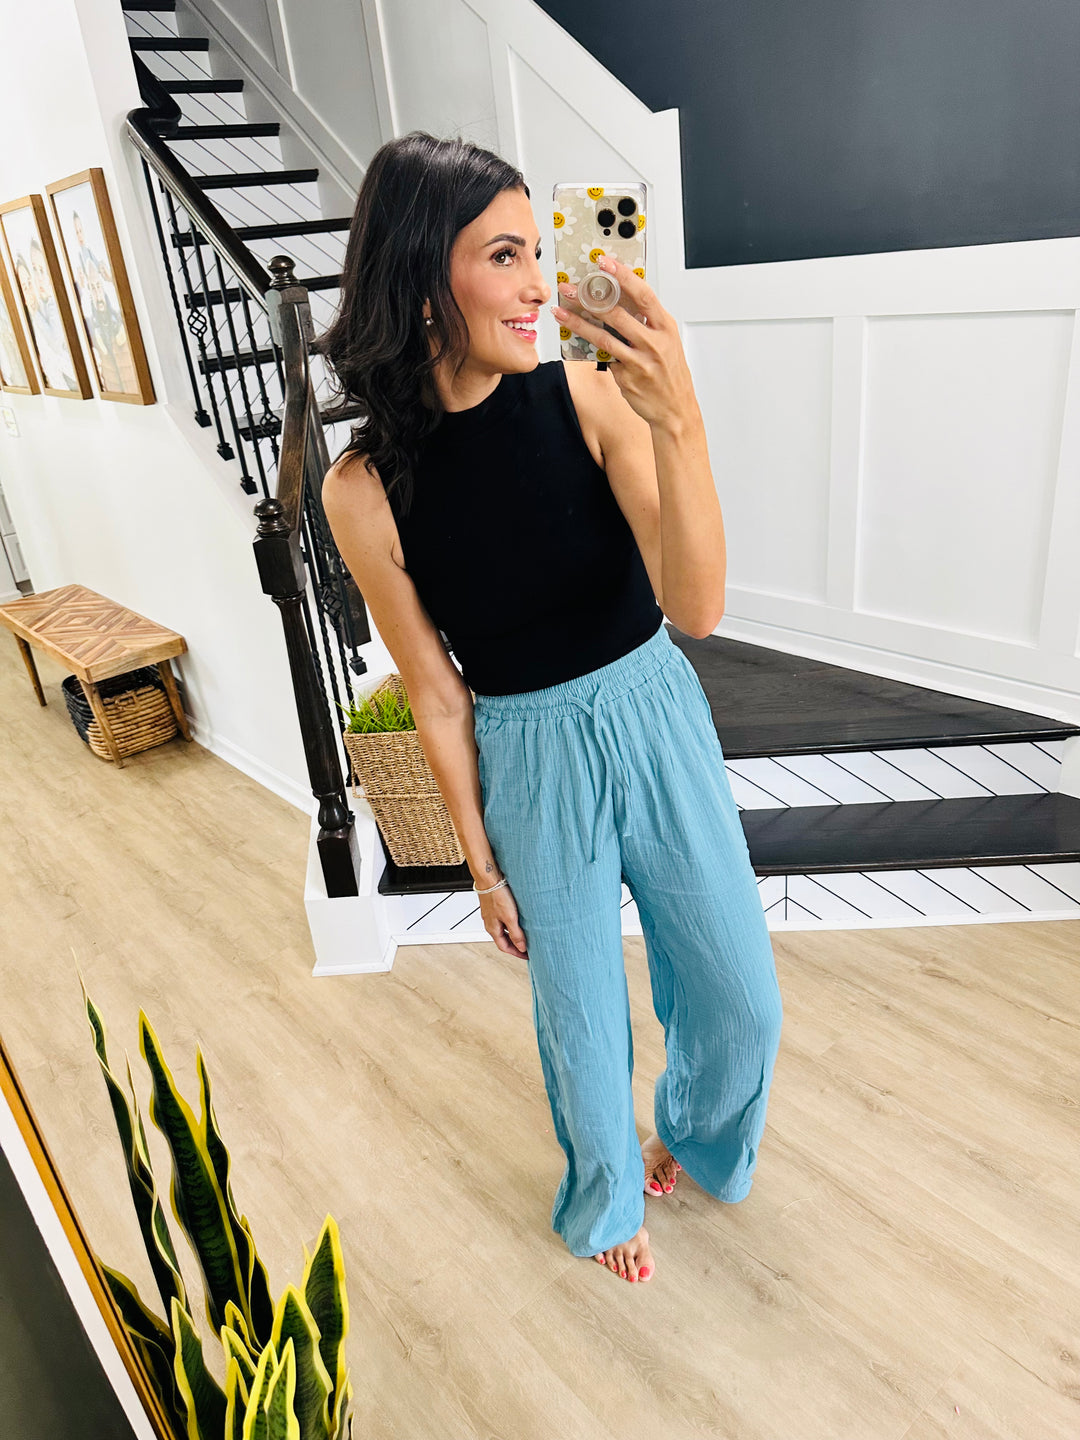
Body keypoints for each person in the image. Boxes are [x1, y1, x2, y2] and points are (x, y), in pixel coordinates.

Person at [319, 132, 783, 1288]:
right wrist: (480, 866)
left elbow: (697, 605)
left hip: (653, 712)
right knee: (580, 1023)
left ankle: (694, 1133)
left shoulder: (584, 392)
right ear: (423, 277)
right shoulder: (362, 488)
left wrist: (678, 418)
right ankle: (606, 1193)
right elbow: (435, 694)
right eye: (504, 255)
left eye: (539, 250)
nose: (539, 284)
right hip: (527, 753)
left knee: (740, 999)